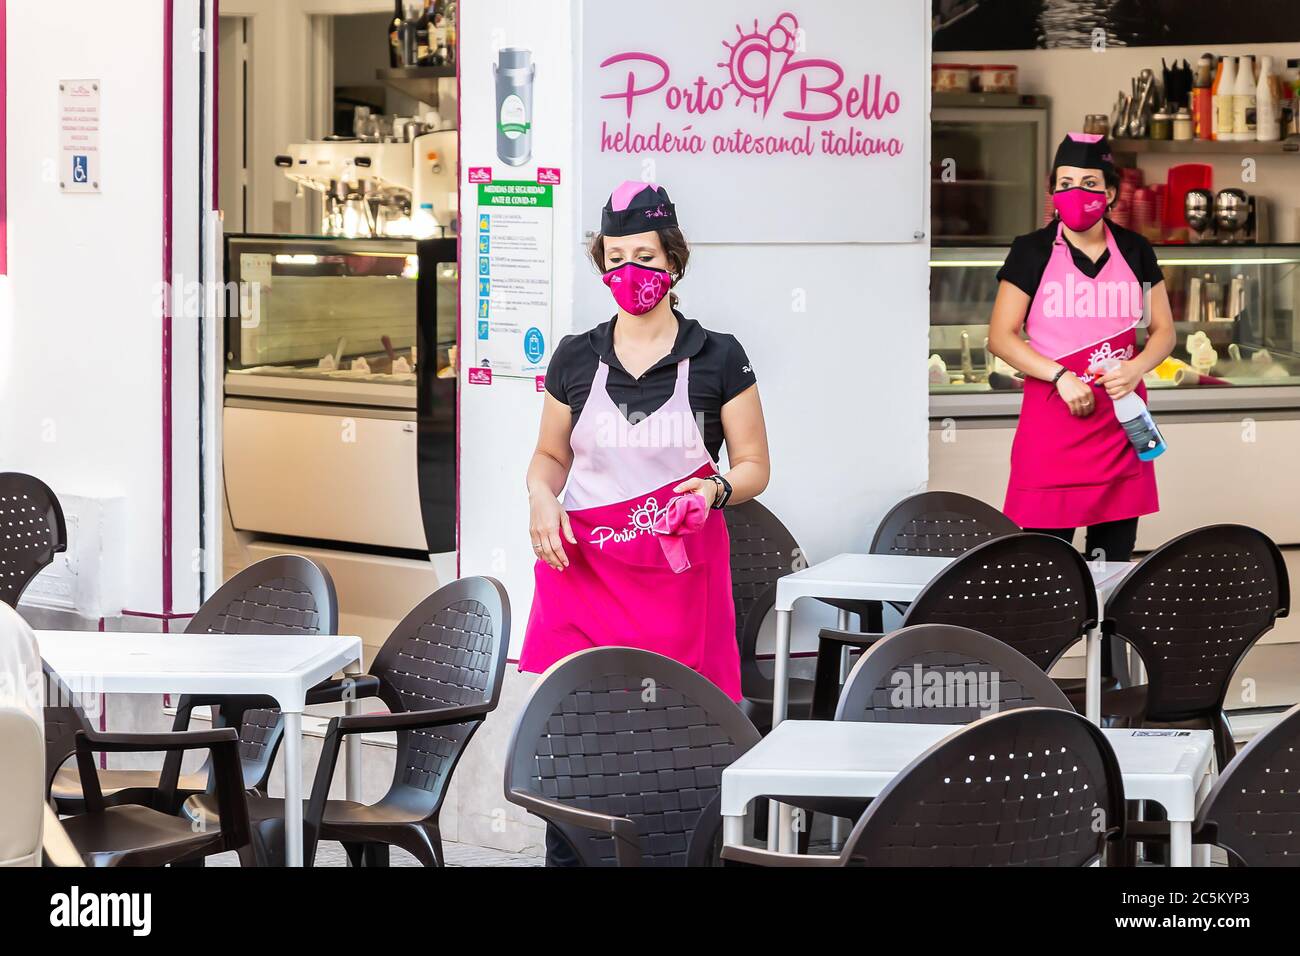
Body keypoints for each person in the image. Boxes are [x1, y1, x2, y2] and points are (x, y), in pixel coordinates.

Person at [518, 181, 770, 865]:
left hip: (678, 582)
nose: (631, 272)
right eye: (617, 257)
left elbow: (753, 466)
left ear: (674, 263)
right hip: (584, 575)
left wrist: (714, 490)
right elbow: (549, 455)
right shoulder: (575, 355)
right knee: (578, 743)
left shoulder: (719, 356)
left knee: (678, 741)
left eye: (646, 257)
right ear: (602, 266)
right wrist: (542, 498)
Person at [989, 132, 1174, 564]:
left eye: (1091, 184)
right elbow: (1001, 336)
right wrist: (1060, 375)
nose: (1077, 193)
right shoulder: (1031, 251)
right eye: (1066, 182)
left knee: (1111, 563)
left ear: (1110, 193)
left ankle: (1105, 634)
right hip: (1055, 415)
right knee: (1041, 562)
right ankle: (1048, 632)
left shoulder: (1135, 249)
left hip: (1120, 422)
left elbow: (1163, 330)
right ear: (1053, 189)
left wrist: (1138, 367)